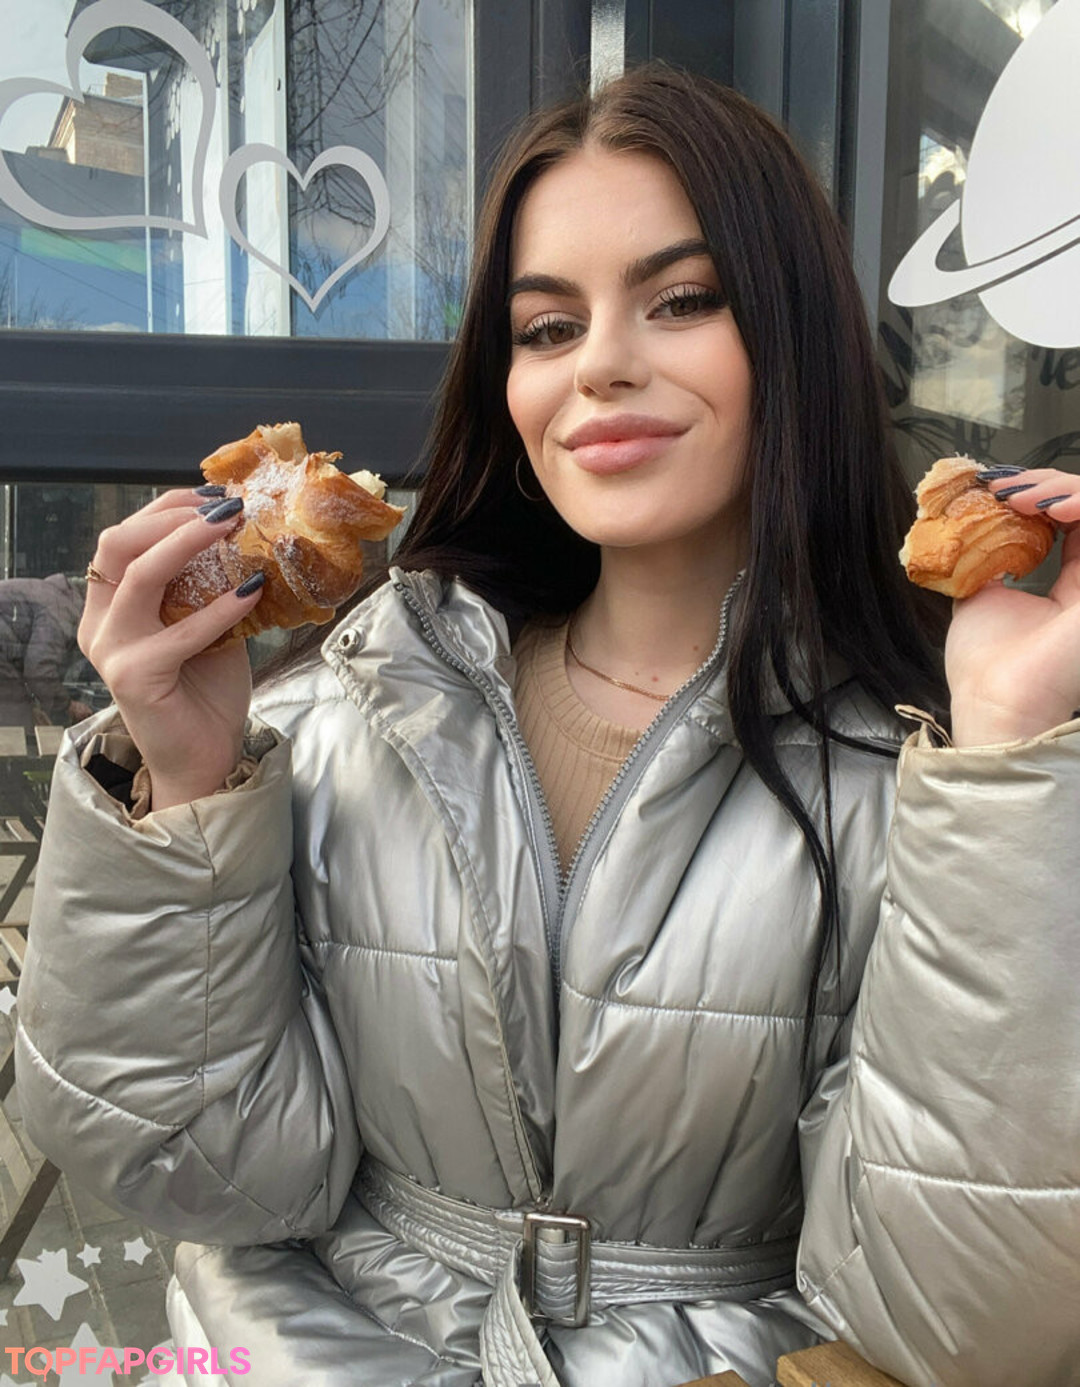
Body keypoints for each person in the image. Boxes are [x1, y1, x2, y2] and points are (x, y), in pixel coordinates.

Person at [13, 65, 1080, 1387]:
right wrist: (181, 781)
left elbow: (967, 1318)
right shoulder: (347, 713)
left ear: (793, 334)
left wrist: (1010, 752)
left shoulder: (937, 774)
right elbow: (196, 1167)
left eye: (682, 301)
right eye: (546, 326)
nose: (602, 365)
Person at [0, 573, 92, 731]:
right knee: (16, 728)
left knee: (20, 714)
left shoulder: (48, 593)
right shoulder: (62, 608)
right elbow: (39, 668)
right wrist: (67, 705)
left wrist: (31, 706)